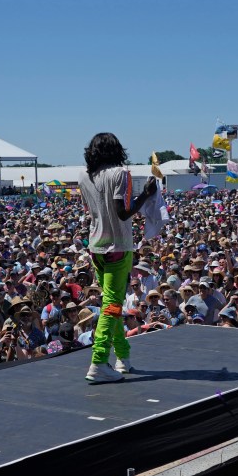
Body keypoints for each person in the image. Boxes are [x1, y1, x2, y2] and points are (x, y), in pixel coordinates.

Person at [79, 132, 157, 383]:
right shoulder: (120, 174)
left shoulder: (84, 175)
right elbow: (123, 213)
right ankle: (99, 361)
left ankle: (123, 357)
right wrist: (145, 194)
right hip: (117, 247)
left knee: (111, 304)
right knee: (111, 306)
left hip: (96, 247)